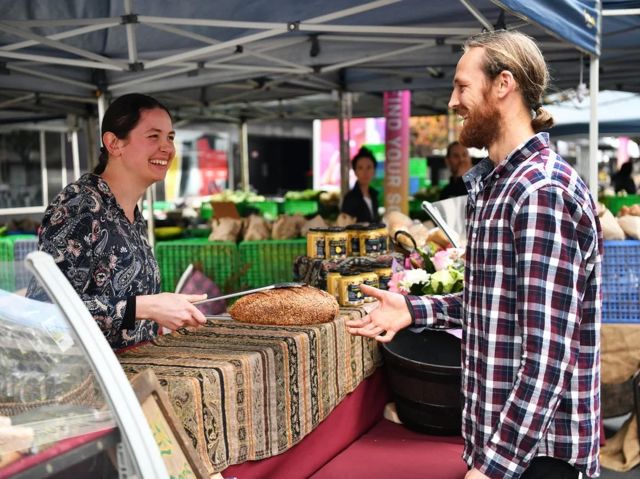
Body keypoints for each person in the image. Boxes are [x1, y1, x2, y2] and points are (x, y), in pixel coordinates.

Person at [347, 30, 601, 479]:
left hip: (538, 458)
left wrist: (492, 468)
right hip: (506, 444)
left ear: (503, 85)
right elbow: (494, 305)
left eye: (463, 86)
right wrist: (413, 308)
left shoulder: (539, 192)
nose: (452, 101)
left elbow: (546, 358)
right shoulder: (498, 185)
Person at [27, 93, 207, 350]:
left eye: (170, 137)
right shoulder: (79, 205)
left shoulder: (130, 212)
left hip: (132, 375)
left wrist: (162, 313)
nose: (167, 148)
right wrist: (145, 307)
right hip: (89, 381)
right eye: (153, 136)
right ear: (113, 143)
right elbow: (45, 308)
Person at [340, 146, 380, 222]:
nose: (365, 172)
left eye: (369, 167)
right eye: (360, 168)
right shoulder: (350, 198)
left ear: (374, 171)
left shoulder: (374, 195)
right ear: (355, 172)